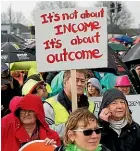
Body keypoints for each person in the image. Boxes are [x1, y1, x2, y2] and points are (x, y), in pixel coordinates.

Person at [43, 70, 95, 138]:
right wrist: (73, 126)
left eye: (82, 81)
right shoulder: (49, 105)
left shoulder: (91, 104)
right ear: (65, 83)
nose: (79, 84)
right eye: (76, 80)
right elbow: (45, 131)